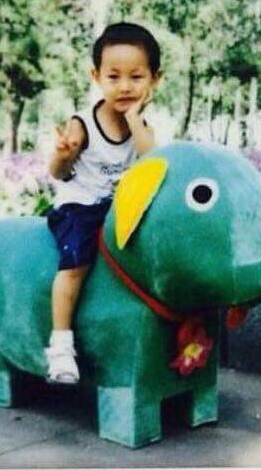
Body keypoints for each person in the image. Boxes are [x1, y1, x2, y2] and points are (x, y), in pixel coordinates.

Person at [45, 22, 161, 384]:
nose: (125, 86)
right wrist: (64, 154)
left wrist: (133, 118)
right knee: (75, 264)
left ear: (154, 79)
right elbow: (58, 173)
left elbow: (150, 164)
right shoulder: (83, 124)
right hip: (80, 206)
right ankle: (61, 345)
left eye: (136, 76)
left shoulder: (142, 127)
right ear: (96, 76)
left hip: (118, 209)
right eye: (113, 76)